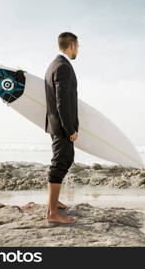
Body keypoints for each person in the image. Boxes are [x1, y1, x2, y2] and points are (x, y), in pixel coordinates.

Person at [44, 32, 79, 224]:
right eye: (78, 46)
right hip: (61, 127)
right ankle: (52, 214)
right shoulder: (64, 67)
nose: (78, 50)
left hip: (55, 125)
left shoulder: (53, 65)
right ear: (72, 45)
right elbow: (62, 102)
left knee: (64, 161)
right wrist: (70, 129)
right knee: (60, 163)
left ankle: (55, 203)